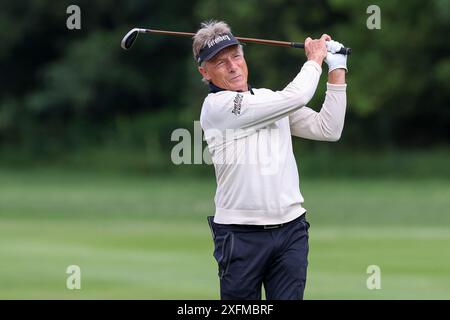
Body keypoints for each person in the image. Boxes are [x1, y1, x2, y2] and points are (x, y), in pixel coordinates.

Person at [193, 20, 347, 300]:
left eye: (236, 56)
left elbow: (329, 128)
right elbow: (298, 95)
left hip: (291, 230)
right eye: (220, 62)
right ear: (204, 71)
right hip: (239, 236)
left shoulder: (268, 100)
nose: (233, 66)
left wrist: (337, 66)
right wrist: (315, 59)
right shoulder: (216, 108)